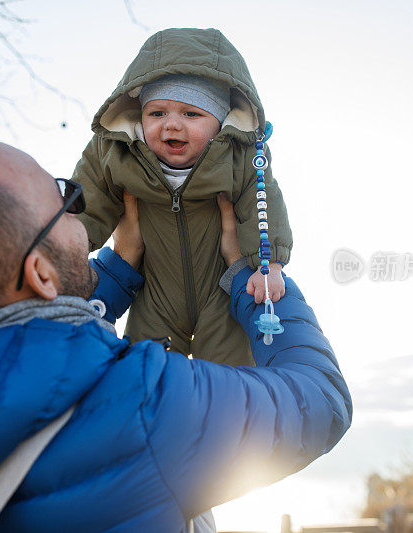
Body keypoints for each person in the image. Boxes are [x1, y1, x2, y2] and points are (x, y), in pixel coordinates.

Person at [0, 139, 351, 532]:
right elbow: (320, 400)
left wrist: (119, 268)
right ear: (39, 272)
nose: (81, 209)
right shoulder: (144, 406)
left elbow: (29, 350)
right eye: (63, 201)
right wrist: (249, 277)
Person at [72, 27, 293, 366]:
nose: (172, 125)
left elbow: (262, 206)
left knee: (229, 372)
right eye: (157, 113)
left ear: (220, 124)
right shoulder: (118, 154)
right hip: (153, 290)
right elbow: (88, 200)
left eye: (191, 114)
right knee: (146, 370)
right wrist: (64, 248)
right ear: (139, 114)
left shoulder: (241, 157)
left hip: (219, 292)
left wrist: (270, 264)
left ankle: (226, 415)